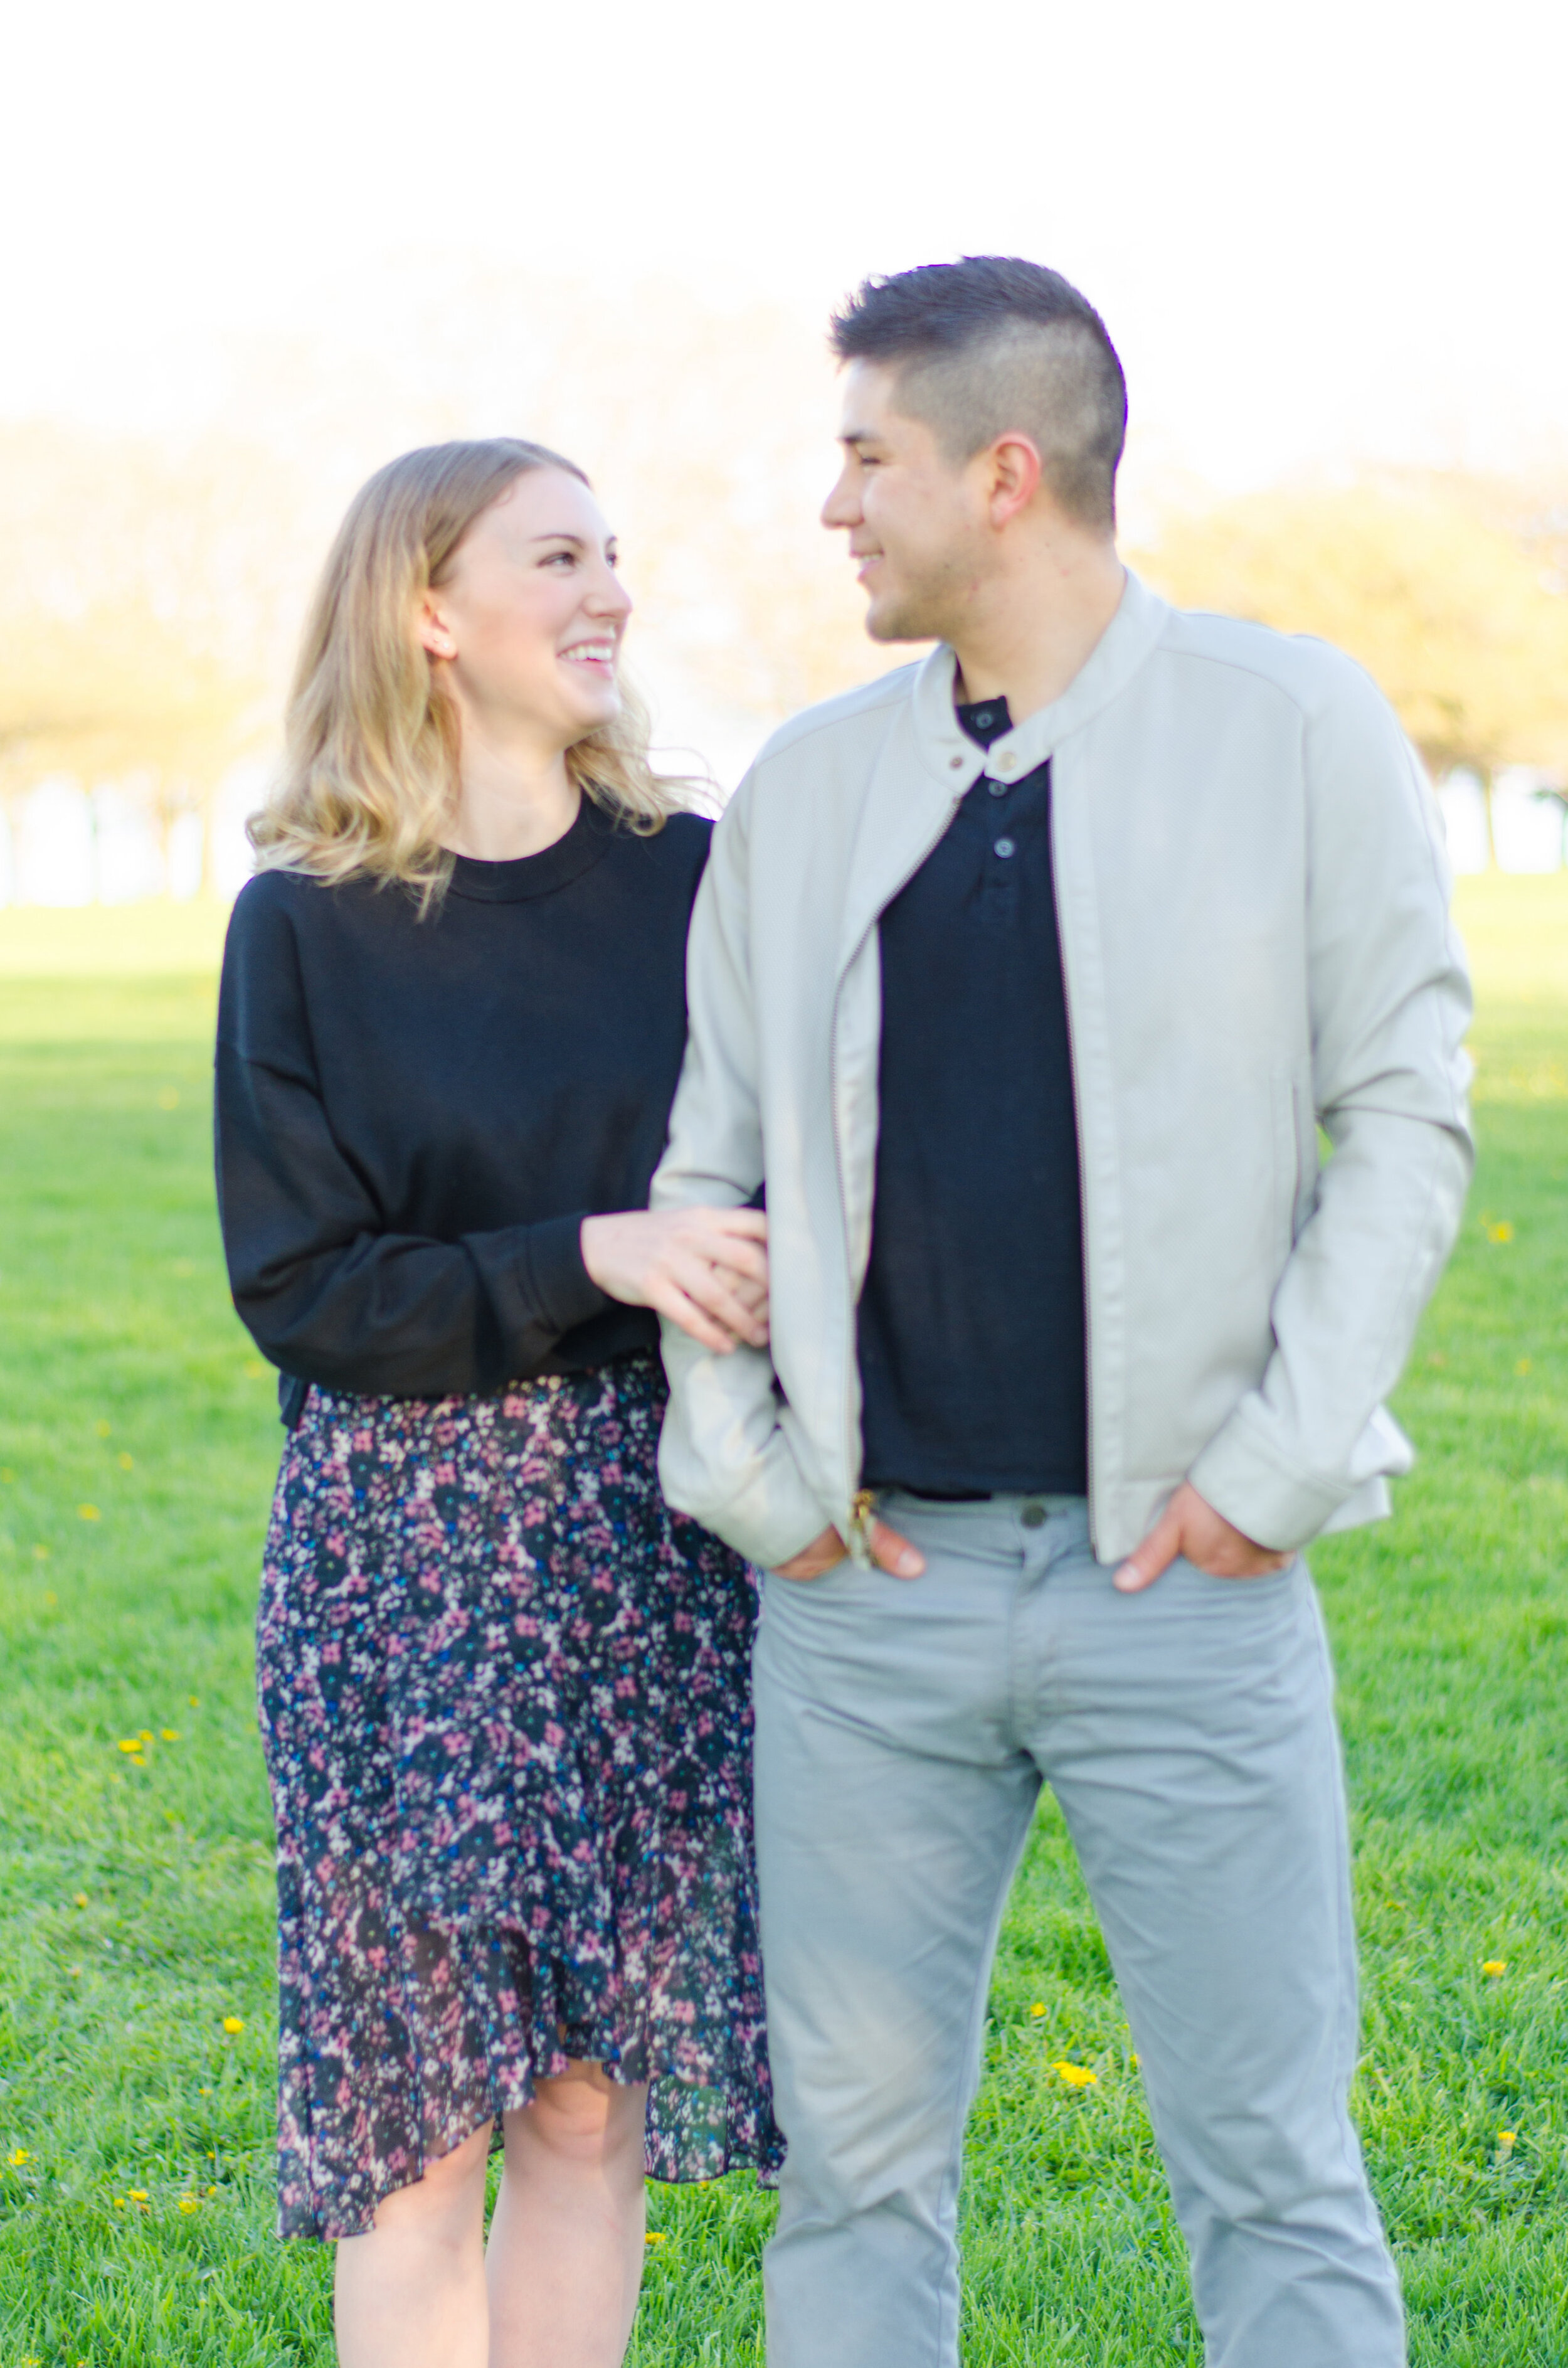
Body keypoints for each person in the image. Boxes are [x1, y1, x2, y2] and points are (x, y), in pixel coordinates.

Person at [652, 258, 1472, 2368]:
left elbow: (1399, 1117)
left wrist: (1275, 1473)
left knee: (1273, 2171)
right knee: (849, 2189)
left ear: (1001, 472)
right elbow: (708, 1171)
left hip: (1183, 1591)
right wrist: (761, 1489)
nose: (830, 505)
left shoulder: (1291, 728)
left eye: (864, 457)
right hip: (863, 1601)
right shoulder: (809, 788)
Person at [215, 437, 781, 2368]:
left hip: (653, 1555)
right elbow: (302, 1294)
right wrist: (589, 1260)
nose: (610, 588)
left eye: (617, 552)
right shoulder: (300, 923)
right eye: (561, 556)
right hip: (400, 1570)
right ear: (430, 613)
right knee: (419, 2128)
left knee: (588, 2103)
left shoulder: (699, 886)